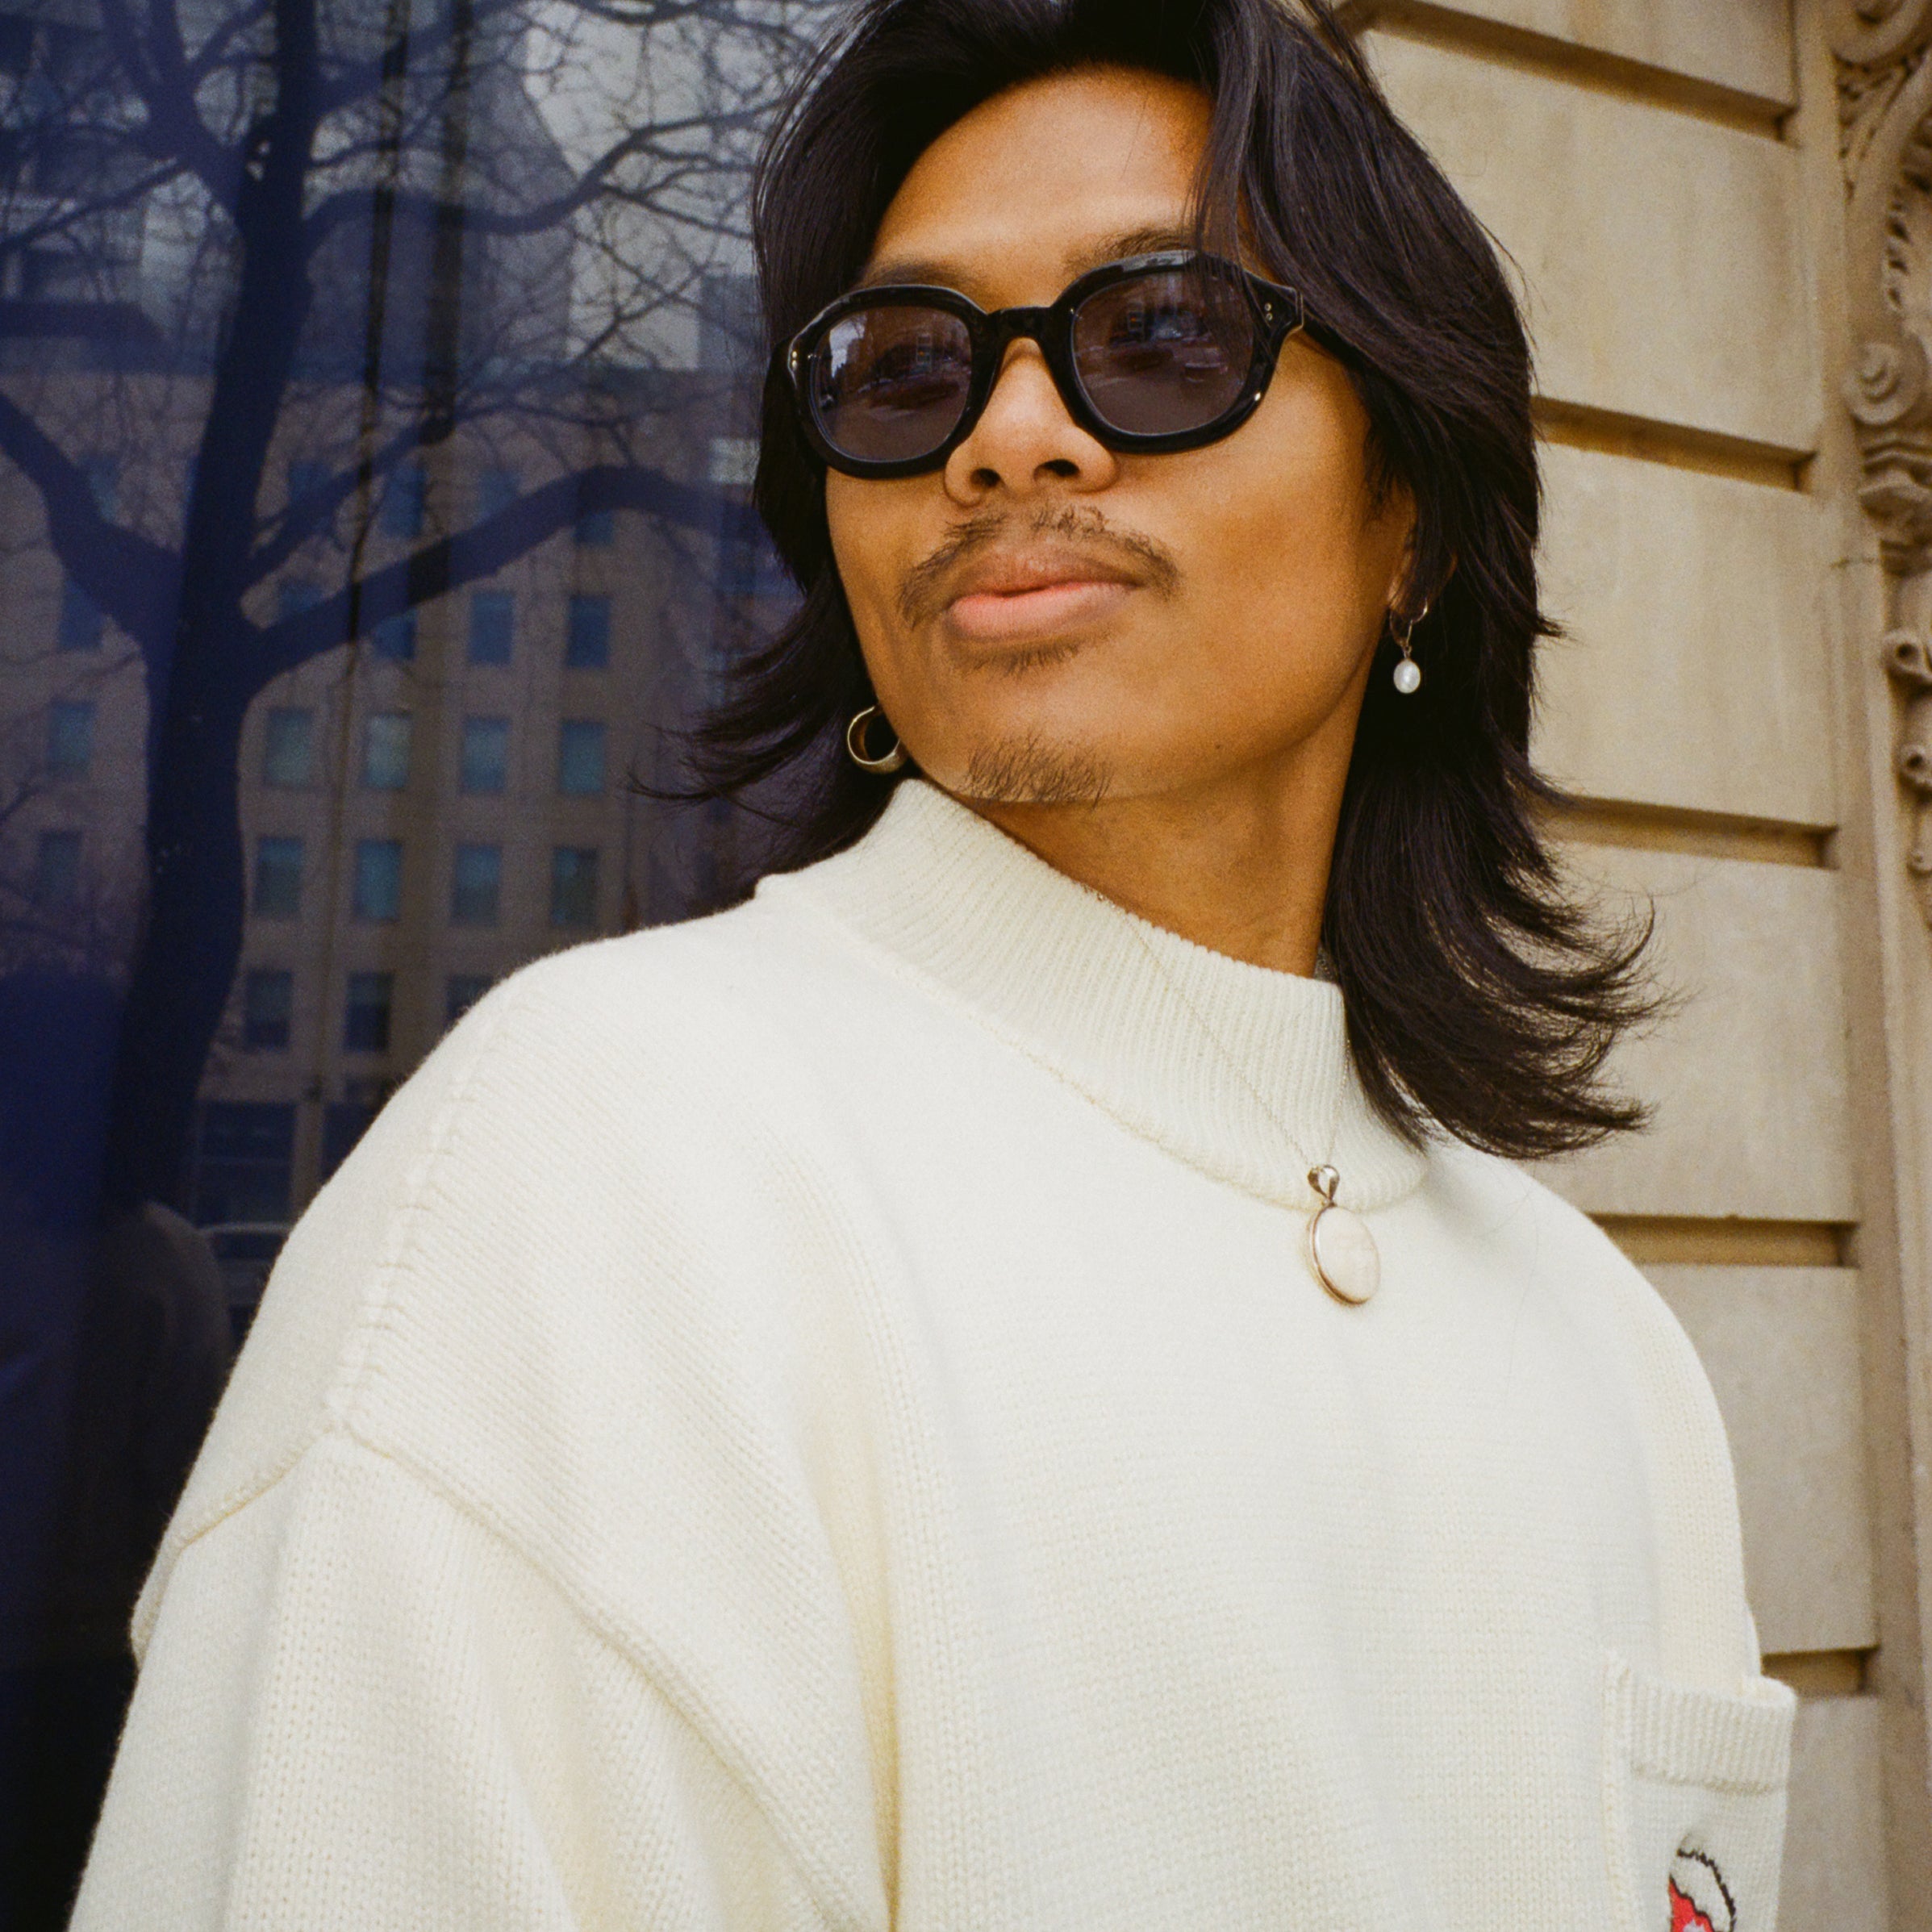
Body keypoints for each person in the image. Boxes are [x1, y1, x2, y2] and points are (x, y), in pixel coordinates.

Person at [73, 2, 1796, 1926]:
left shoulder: (1604, 1343)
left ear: (1413, 519)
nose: (1006, 432)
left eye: (1159, 334)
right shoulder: (594, 1184)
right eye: (903, 373)